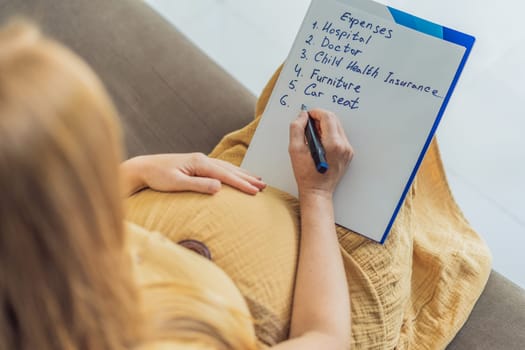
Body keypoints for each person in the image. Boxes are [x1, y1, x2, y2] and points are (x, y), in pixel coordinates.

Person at [0, 20, 353, 349]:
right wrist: (318, 195)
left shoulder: (35, 264)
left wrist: (139, 170)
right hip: (322, 244)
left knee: (296, 81)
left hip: (248, 180)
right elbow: (326, 338)